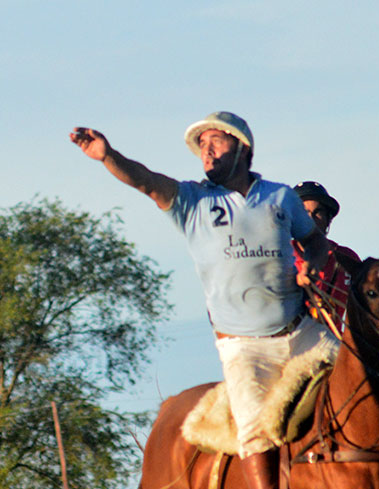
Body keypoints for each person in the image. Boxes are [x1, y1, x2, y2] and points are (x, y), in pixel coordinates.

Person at [70, 112, 333, 489]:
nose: (206, 152)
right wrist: (108, 156)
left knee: (365, 377)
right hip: (244, 348)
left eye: (215, 142)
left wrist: (312, 263)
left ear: (242, 148)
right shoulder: (191, 200)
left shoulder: (280, 196)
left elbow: (316, 242)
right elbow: (145, 182)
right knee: (255, 433)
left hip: (301, 331)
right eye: (201, 146)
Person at [291, 181, 360, 332]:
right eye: (303, 213)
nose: (311, 219)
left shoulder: (347, 257)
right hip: (288, 347)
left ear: (328, 219)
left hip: (333, 345)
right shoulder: (280, 256)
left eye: (318, 212)